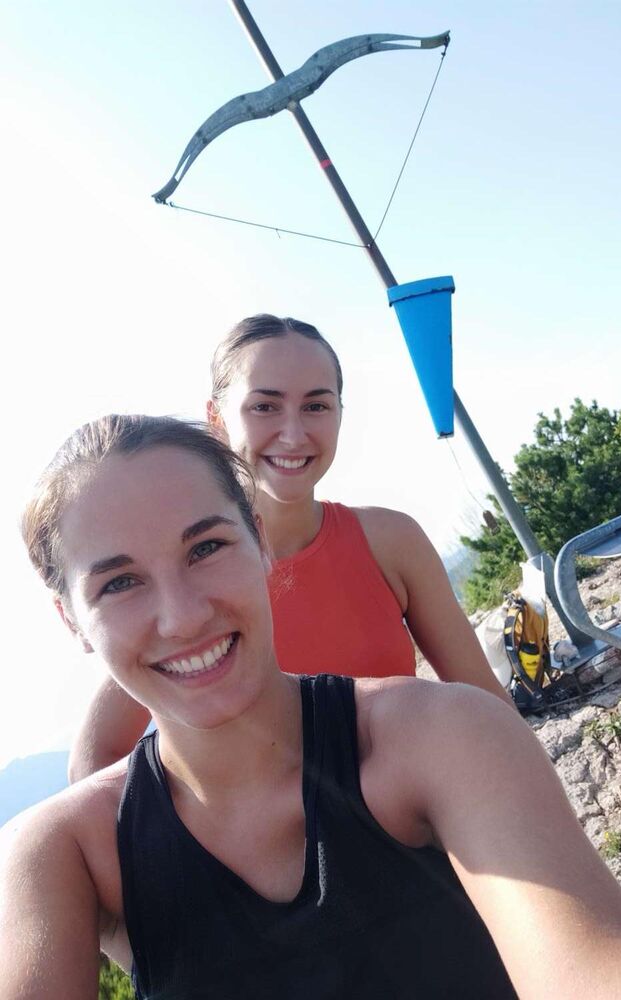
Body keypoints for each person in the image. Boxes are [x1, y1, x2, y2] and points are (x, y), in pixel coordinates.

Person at [0, 415, 621, 999]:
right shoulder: (64, 855)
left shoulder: (443, 738)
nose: (183, 616)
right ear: (71, 620)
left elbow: (589, 966)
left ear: (259, 543)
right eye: (119, 584)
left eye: (206, 547)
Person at [69, 314, 510, 782]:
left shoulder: (391, 542)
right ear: (217, 420)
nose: (294, 434)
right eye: (265, 407)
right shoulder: (195, 587)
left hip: (420, 816)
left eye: (316, 406)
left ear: (340, 414)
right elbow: (93, 765)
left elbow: (489, 706)